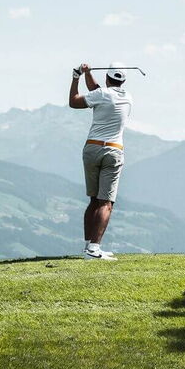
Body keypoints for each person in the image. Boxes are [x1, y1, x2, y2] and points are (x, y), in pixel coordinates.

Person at [69, 62, 133, 261]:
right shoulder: (128, 98)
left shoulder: (102, 94)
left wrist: (76, 77)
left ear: (107, 78)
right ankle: (94, 249)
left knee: (94, 200)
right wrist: (87, 74)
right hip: (113, 151)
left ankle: (89, 246)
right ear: (123, 80)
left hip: (92, 148)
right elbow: (97, 91)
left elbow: (74, 101)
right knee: (106, 202)